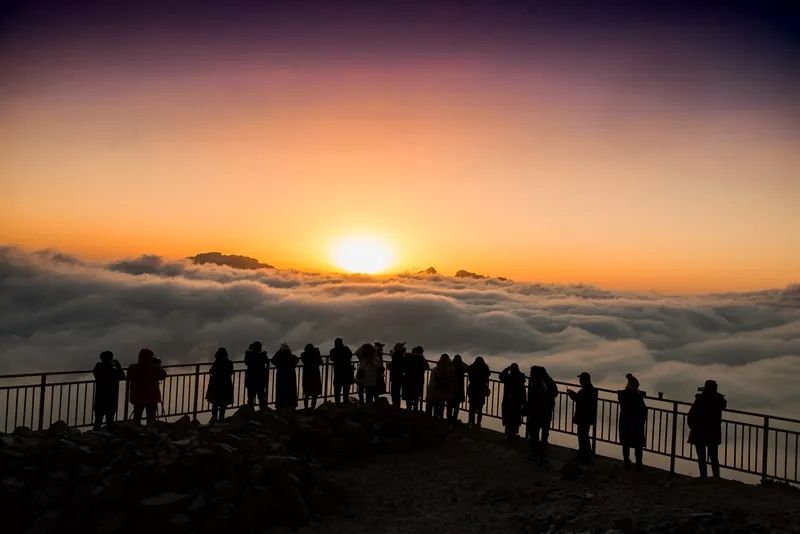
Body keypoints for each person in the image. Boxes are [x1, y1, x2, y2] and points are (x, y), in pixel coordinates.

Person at [688, 379, 727, 478]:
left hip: (699, 431)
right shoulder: (718, 399)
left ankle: (703, 476)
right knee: (713, 456)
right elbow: (724, 405)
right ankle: (716, 477)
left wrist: (692, 426)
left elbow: (691, 413)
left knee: (701, 456)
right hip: (713, 431)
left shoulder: (700, 399)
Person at [127, 348, 167, 425]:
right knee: (151, 418)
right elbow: (163, 375)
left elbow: (129, 375)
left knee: (137, 416)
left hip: (137, 396)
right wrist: (157, 366)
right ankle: (149, 431)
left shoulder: (133, 367)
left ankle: (136, 430)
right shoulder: (153, 369)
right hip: (151, 397)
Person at [527, 365, 558, 462]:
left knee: (534, 433)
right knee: (544, 433)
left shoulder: (537, 384)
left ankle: (536, 454)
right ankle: (541, 454)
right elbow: (555, 393)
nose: (530, 375)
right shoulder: (548, 382)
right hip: (546, 412)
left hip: (538, 412)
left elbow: (534, 400)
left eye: (531, 373)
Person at [617, 373, 647, 470]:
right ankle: (638, 463)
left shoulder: (623, 395)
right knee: (638, 444)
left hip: (625, 422)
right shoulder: (637, 397)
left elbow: (623, 394)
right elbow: (643, 410)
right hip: (636, 423)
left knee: (626, 443)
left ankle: (626, 461)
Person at [567, 372, 598, 463]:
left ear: (585, 380)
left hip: (584, 417)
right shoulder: (589, 389)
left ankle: (585, 455)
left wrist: (571, 394)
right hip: (586, 417)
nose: (580, 381)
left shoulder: (587, 390)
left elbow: (580, 400)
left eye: (581, 379)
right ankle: (585, 454)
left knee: (583, 436)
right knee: (583, 436)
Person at [92, 351, 125, 430]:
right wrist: (118, 365)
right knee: (110, 421)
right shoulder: (113, 370)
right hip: (111, 398)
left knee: (98, 421)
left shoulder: (99, 367)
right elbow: (122, 376)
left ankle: (95, 436)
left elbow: (95, 373)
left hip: (100, 398)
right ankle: (108, 437)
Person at [206, 347, 234, 423]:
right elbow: (231, 372)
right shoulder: (230, 362)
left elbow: (211, 371)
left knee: (215, 403)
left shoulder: (217, 362)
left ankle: (214, 418)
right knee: (223, 403)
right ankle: (221, 418)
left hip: (217, 385)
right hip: (226, 384)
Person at [499, 363, 526, 440]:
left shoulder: (508, 377)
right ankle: (514, 434)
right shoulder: (521, 377)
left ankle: (508, 434)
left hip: (508, 401)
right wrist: (523, 402)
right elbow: (523, 391)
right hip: (517, 402)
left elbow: (501, 376)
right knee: (515, 418)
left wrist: (507, 369)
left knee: (508, 418)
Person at [272, 343, 299, 410]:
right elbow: (296, 360)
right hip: (291, 376)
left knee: (281, 390)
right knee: (291, 390)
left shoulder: (279, 357)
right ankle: (291, 405)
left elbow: (273, 360)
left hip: (281, 376)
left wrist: (278, 351)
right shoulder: (291, 357)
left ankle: (281, 405)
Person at [402, 346, 429, 411]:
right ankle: (415, 410)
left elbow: (404, 366)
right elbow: (427, 366)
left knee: (409, 396)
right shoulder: (421, 359)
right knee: (416, 396)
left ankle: (408, 409)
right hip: (418, 380)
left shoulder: (408, 357)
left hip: (408, 379)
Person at [466, 356, 491, 427]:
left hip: (473, 389)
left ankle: (471, 422)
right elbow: (488, 375)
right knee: (480, 409)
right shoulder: (485, 368)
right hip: (481, 390)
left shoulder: (472, 368)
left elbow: (468, 371)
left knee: (472, 408)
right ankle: (478, 423)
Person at [429, 354, 455, 421]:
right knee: (446, 406)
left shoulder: (437, 367)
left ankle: (436, 418)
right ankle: (444, 419)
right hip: (447, 389)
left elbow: (434, 378)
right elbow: (452, 379)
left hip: (438, 388)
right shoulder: (450, 368)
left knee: (438, 404)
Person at [329, 338, 354, 404]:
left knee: (337, 389)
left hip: (338, 371)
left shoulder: (333, 350)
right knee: (346, 387)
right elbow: (350, 355)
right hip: (347, 371)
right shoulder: (346, 349)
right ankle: (345, 401)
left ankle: (337, 403)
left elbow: (331, 358)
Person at [244, 341, 268, 410]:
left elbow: (246, 362)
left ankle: (251, 412)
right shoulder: (262, 355)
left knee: (251, 397)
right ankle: (262, 411)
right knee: (261, 397)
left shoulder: (249, 355)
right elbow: (266, 361)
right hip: (260, 379)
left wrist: (249, 352)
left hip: (251, 379)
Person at [301, 343, 323, 409]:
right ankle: (312, 408)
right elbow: (321, 362)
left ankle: (306, 408)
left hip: (307, 375)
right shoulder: (316, 354)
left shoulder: (304, 355)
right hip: (315, 375)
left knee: (306, 393)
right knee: (314, 393)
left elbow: (303, 360)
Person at [448, 354, 467, 422]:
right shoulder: (461, 366)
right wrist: (462, 362)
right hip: (459, 388)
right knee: (456, 406)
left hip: (450, 387)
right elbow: (467, 368)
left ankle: (449, 419)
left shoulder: (450, 365)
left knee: (449, 405)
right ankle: (454, 419)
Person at [387, 342, 407, 408]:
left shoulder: (397, 354)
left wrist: (390, 366)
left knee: (394, 391)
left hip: (396, 375)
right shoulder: (402, 355)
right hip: (400, 376)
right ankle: (397, 405)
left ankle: (395, 405)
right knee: (397, 391)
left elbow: (395, 364)